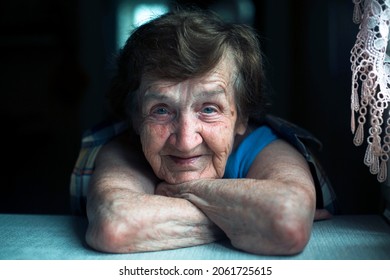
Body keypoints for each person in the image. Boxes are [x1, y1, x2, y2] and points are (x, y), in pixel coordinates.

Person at [71, 8, 336, 255]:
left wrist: (173, 195)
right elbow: (116, 226)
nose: (185, 141)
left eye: (209, 109)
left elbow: (286, 220)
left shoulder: (265, 147)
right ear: (135, 118)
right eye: (161, 110)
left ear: (241, 117)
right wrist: (249, 217)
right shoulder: (124, 148)